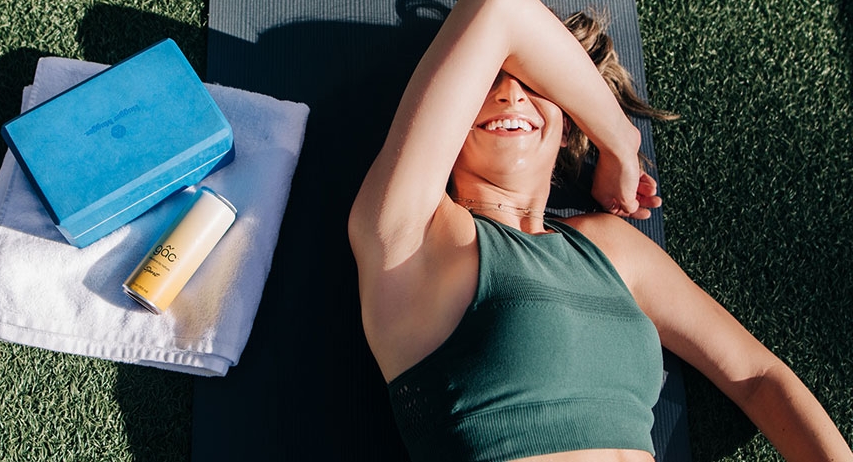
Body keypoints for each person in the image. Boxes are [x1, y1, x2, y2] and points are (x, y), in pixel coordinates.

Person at [347, 0, 853, 460]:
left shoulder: (613, 248)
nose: (509, 94)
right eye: (486, 81)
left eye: (536, 85)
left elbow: (759, 378)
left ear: (567, 123)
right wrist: (618, 140)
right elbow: (498, 11)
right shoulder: (409, 235)